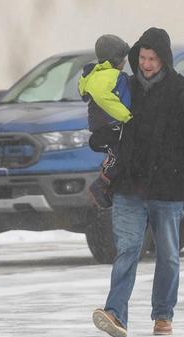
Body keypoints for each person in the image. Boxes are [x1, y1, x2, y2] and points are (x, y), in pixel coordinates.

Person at [91, 27, 184, 337]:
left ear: (164, 59)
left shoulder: (182, 89)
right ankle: (115, 314)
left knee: (169, 255)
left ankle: (163, 314)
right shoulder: (126, 88)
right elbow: (110, 122)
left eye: (152, 58)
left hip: (168, 185)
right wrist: (101, 136)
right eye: (142, 58)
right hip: (130, 184)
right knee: (128, 249)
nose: (146, 64)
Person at [79, 34, 132, 209]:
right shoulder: (117, 77)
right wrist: (127, 116)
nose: (125, 62)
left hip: (98, 126)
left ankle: (105, 186)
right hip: (113, 125)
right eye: (123, 58)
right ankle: (101, 185)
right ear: (118, 59)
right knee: (120, 155)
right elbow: (123, 101)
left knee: (113, 155)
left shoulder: (95, 74)